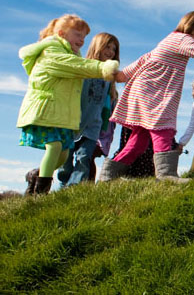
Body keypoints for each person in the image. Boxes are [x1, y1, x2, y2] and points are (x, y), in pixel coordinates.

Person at [98, 11, 194, 183]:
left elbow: (145, 58)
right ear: (192, 27)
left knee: (139, 139)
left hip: (143, 91)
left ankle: (108, 176)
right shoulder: (182, 39)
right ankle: (166, 175)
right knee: (163, 127)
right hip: (154, 93)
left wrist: (123, 75)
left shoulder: (169, 40)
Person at [18, 15, 119, 195]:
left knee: (65, 154)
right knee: (56, 148)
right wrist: (104, 69)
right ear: (62, 33)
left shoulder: (73, 56)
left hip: (69, 117)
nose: (82, 40)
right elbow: (74, 66)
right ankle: (41, 193)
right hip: (47, 110)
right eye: (78, 35)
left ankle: (38, 175)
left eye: (84, 37)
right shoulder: (52, 52)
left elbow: (102, 101)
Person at [57, 32, 120, 187]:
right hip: (73, 122)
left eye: (114, 49)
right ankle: (63, 185)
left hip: (93, 126)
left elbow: (107, 105)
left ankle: (73, 189)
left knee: (84, 158)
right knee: (65, 159)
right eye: (108, 46)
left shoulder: (109, 77)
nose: (111, 51)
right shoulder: (83, 68)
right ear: (97, 46)